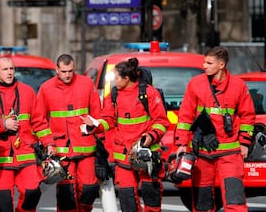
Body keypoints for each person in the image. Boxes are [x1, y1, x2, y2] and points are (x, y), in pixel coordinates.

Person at [82, 58, 170, 212]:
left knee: (151, 194)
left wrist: (150, 136)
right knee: (126, 197)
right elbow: (108, 120)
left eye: (116, 77)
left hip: (146, 153)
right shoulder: (114, 95)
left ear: (127, 78)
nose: (113, 81)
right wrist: (94, 126)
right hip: (124, 155)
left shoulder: (149, 93)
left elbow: (162, 121)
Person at [174, 46, 255, 212]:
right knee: (202, 202)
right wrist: (182, 143)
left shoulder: (238, 86)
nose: (204, 66)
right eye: (205, 62)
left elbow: (248, 116)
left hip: (230, 152)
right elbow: (185, 116)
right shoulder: (195, 84)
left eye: (209, 63)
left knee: (235, 199)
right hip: (202, 152)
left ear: (221, 65)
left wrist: (245, 143)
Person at [0, 57, 54, 212]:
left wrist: (48, 143)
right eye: (5, 69)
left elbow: (39, 121)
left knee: (32, 194)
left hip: (26, 154)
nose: (9, 72)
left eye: (11, 69)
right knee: (3, 205)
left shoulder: (27, 91)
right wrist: (2, 125)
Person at [35, 54, 102, 212]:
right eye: (64, 71)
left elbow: (98, 116)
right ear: (57, 70)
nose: (67, 75)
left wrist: (101, 143)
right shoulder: (46, 88)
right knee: (67, 195)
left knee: (89, 190)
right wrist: (48, 143)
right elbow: (39, 120)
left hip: (87, 148)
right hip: (62, 152)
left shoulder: (86, 84)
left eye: (70, 71)